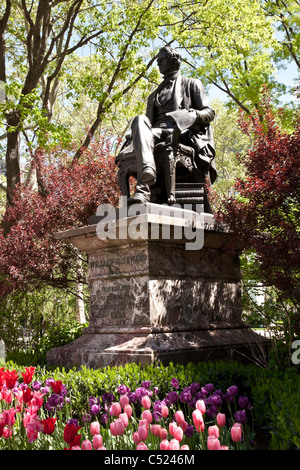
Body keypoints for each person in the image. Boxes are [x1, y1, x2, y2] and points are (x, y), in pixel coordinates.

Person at [116, 45, 216, 205]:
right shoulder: (153, 95)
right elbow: (147, 123)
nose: (158, 64)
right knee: (139, 119)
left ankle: (143, 191)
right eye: (157, 61)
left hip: (179, 133)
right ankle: (148, 169)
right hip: (155, 133)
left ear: (173, 60)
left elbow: (209, 113)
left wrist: (192, 114)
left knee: (143, 131)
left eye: (161, 60)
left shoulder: (191, 84)